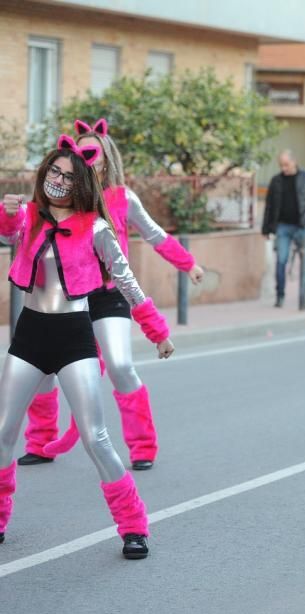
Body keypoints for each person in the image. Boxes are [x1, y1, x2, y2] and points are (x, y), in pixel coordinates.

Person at [0, 136, 173, 558]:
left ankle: (134, 526)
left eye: (69, 175)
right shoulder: (29, 218)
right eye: (54, 171)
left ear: (82, 184)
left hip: (74, 337)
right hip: (29, 335)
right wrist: (6, 215)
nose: (59, 179)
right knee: (3, 433)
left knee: (96, 439)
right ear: (44, 175)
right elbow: (9, 234)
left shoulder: (96, 228)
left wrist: (155, 330)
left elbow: (126, 279)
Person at [18, 118, 204, 470]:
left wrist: (188, 263)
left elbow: (156, 236)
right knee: (43, 371)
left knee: (120, 365)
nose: (85, 160)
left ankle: (143, 446)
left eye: (92, 153)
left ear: (106, 158)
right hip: (67, 298)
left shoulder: (122, 198)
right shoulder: (66, 200)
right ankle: (41, 442)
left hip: (109, 296)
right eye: (79, 153)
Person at [262, 150, 305, 310]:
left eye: (286, 164)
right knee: (281, 261)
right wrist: (266, 229)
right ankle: (280, 295)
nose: (284, 168)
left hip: (302, 226)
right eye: (281, 165)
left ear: (294, 162)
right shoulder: (276, 181)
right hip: (283, 227)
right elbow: (269, 206)